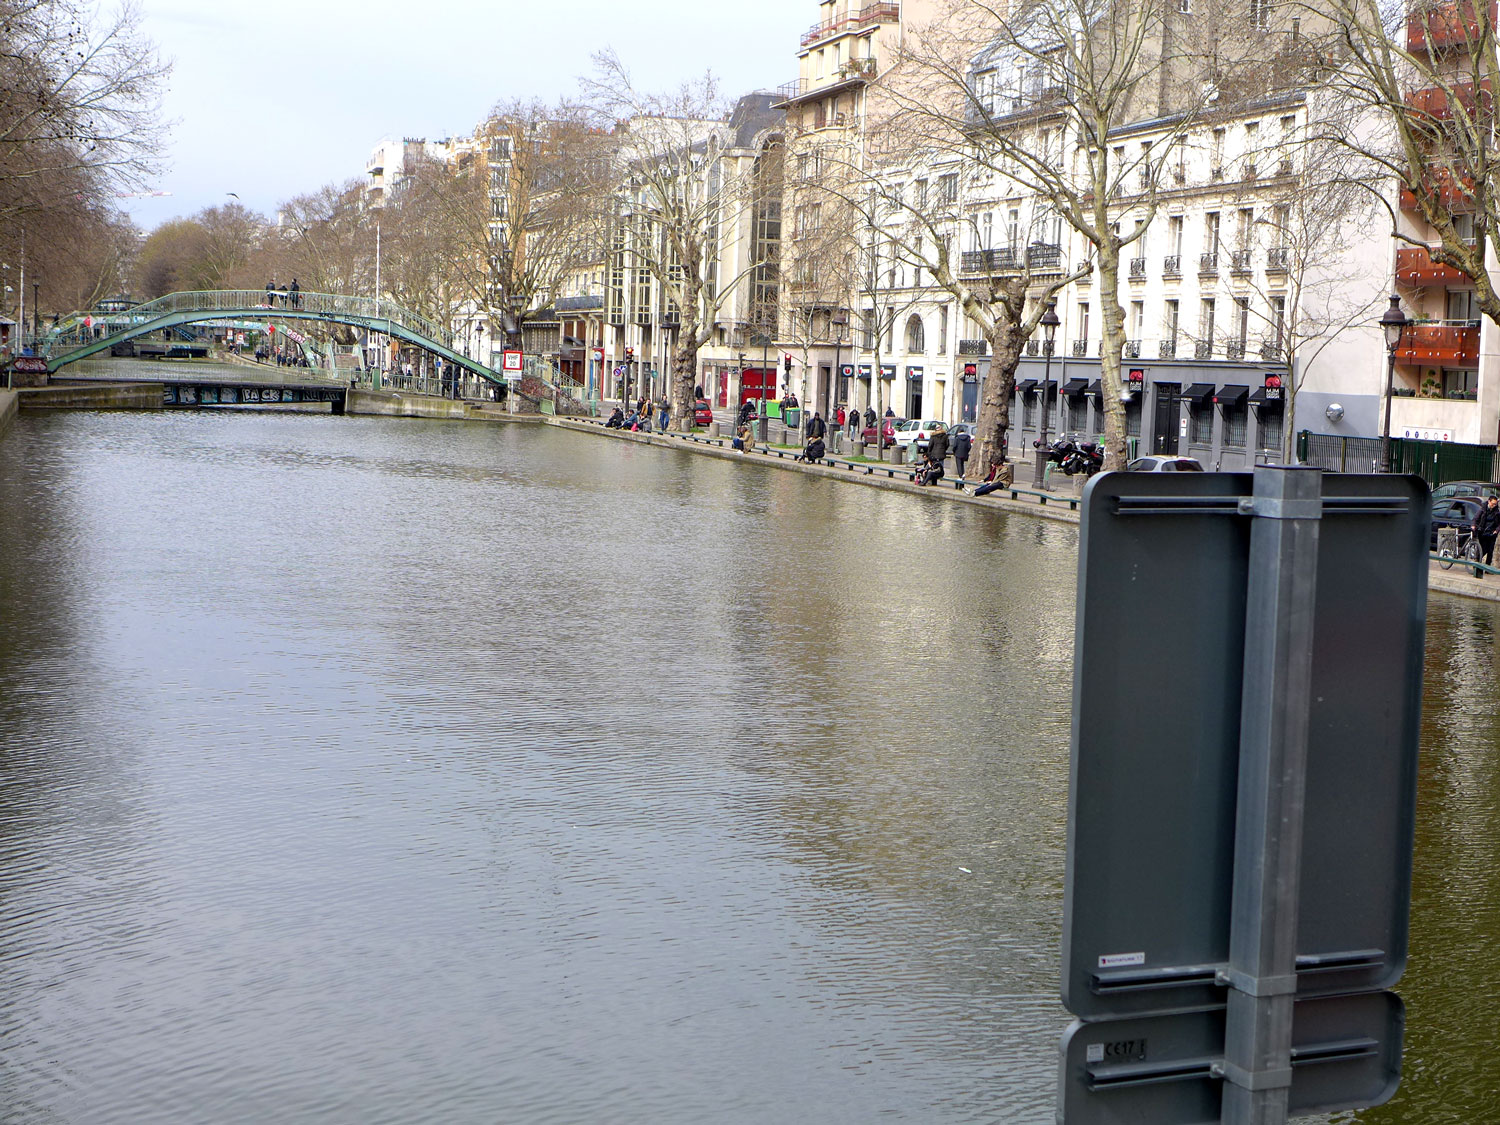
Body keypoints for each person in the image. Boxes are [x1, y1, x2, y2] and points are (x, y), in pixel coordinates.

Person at [1474, 496, 1500, 570]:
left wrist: (1496, 530)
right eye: (1492, 504)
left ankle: (1488, 568)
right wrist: (1474, 526)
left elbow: (1499, 523)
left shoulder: (1497, 511)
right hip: (1483, 532)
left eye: (1495, 504)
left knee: (1490, 551)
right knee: (1483, 549)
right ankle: (1477, 565)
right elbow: (1476, 518)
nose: (1494, 505)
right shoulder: (1483, 509)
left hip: (1492, 533)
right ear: (1489, 501)